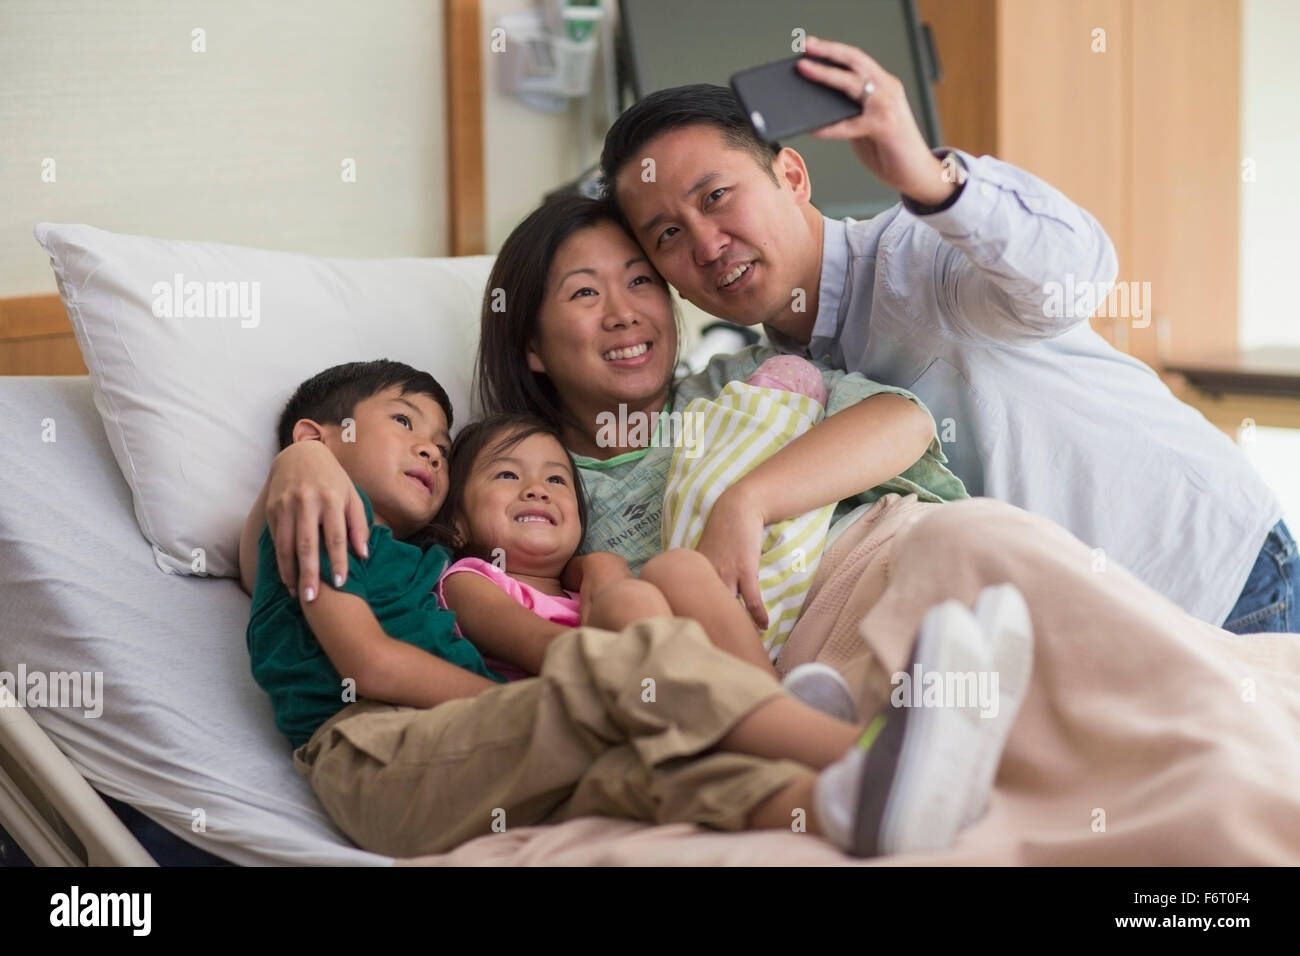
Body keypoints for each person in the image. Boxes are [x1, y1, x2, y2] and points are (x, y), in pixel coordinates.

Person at [596, 35, 1296, 635]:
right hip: (1103, 637)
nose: (709, 243)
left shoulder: (916, 253)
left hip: (1224, 584)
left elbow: (1075, 278)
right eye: (668, 235)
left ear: (793, 174)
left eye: (717, 197)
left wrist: (933, 183)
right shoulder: (770, 390)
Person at [243, 359, 1033, 858]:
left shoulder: (421, 558)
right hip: (378, 756)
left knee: (657, 771)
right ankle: (861, 746)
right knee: (617, 671)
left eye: (442, 442)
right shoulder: (317, 518)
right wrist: (301, 459)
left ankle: (855, 808)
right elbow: (370, 663)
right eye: (404, 422)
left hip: (456, 756)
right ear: (319, 440)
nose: (429, 448)